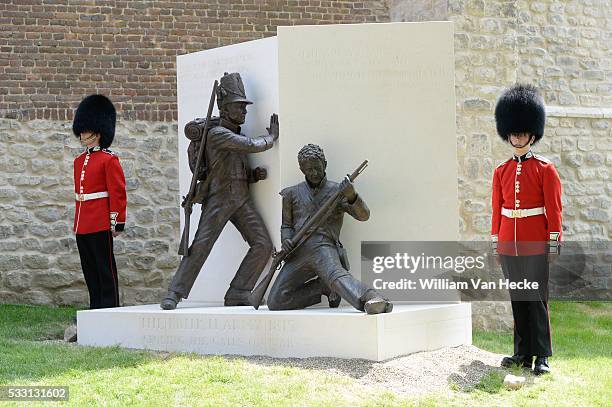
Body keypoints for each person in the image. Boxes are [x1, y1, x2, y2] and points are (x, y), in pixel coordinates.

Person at [160, 72, 278, 310]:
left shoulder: (234, 134)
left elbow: (235, 167)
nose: (243, 112)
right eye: (239, 107)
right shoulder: (218, 135)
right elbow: (249, 146)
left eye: (244, 108)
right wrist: (271, 138)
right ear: (224, 108)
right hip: (220, 198)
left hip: (242, 198)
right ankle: (175, 292)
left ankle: (239, 291)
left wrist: (253, 176)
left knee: (263, 244)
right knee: (201, 245)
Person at [267, 144, 393, 315]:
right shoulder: (291, 194)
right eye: (308, 169)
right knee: (276, 301)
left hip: (323, 247)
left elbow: (364, 215)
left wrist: (351, 195)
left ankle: (372, 298)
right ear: (301, 169)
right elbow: (286, 225)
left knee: (336, 276)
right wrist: (286, 239)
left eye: (317, 168)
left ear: (324, 164)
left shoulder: (337, 191)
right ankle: (322, 287)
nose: (313, 173)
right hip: (298, 252)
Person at [491, 84, 562, 375]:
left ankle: (541, 356)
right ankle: (521, 353)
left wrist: (554, 244)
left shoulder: (546, 169)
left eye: (522, 132)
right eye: (514, 132)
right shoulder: (501, 171)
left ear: (533, 134)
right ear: (507, 134)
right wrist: (497, 244)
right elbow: (497, 211)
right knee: (518, 300)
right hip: (509, 244)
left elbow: (554, 210)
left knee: (536, 301)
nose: (518, 137)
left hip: (535, 244)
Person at [72, 94, 127, 309]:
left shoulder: (109, 159)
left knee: (105, 269)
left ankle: (109, 307)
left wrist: (117, 222)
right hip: (82, 224)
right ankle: (95, 307)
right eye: (82, 129)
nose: (83, 133)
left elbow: (117, 192)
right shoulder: (78, 162)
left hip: (100, 223)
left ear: (98, 131)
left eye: (87, 129)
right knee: (90, 269)